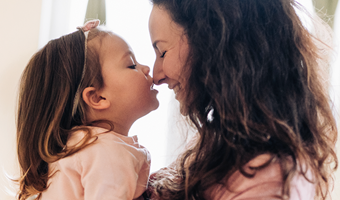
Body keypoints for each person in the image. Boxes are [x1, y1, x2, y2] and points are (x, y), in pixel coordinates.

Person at [147, 0, 338, 199]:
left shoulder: (268, 180)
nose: (156, 75)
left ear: (212, 43)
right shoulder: (220, 145)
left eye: (162, 52)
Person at [16, 19, 159, 200]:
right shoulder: (107, 153)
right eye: (131, 65)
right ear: (97, 98)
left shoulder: (74, 147)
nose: (146, 68)